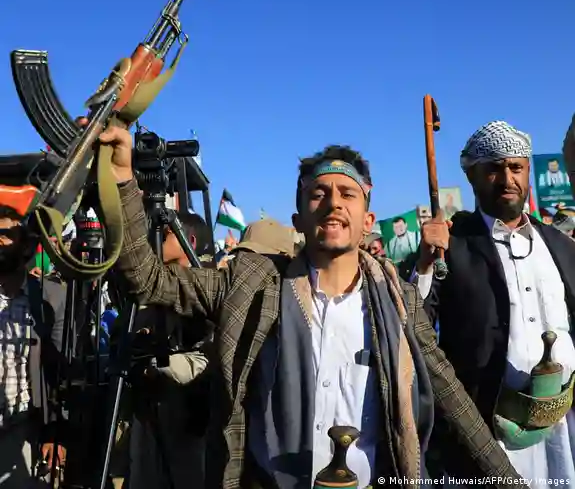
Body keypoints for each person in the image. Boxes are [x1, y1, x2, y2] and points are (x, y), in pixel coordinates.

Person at [99, 125, 520, 488]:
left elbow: (454, 400)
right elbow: (146, 279)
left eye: (347, 194)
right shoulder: (254, 283)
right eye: (319, 194)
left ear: (367, 221)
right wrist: (120, 177)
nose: (334, 203)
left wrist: (508, 480)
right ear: (298, 220)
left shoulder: (400, 301)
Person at [417, 120, 575, 482]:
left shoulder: (559, 244)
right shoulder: (451, 246)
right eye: (493, 169)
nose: (507, 180)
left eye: (516, 167)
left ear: (528, 171)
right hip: (487, 434)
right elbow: (416, 325)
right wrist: (425, 264)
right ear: (471, 177)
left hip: (561, 430)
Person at [129, 210, 213, 489]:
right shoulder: (151, 289)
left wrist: (162, 361)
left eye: (163, 234)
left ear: (189, 240)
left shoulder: (209, 286)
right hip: (150, 409)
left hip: (190, 414)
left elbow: (210, 356)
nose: (155, 240)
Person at [0, 199, 67, 487]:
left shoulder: (50, 298)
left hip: (21, 430)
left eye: (5, 235)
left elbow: (60, 373)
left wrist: (55, 432)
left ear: (26, 245)